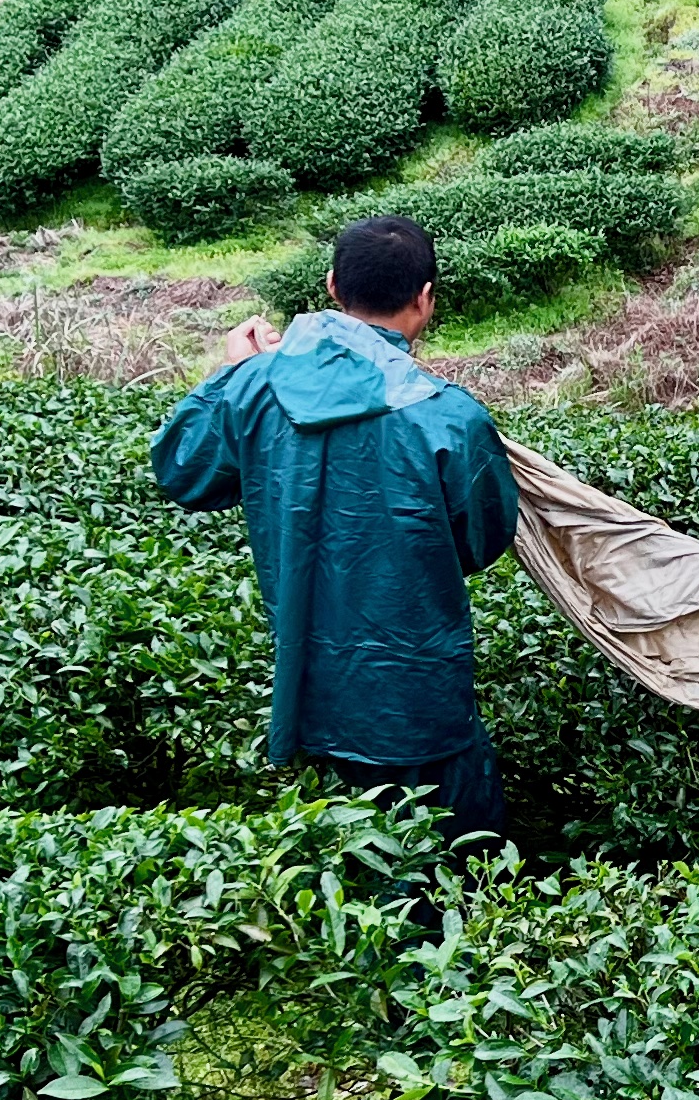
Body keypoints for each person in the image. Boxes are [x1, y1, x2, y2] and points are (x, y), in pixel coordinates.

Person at [153, 214, 525, 848]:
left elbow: (184, 474)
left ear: (331, 285)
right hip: (417, 691)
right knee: (459, 866)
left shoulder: (254, 388)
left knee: (346, 870)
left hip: (312, 687)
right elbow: (482, 540)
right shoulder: (448, 415)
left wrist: (233, 374)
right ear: (425, 297)